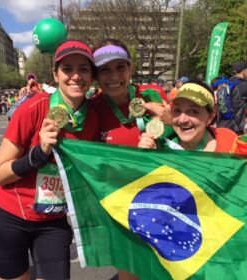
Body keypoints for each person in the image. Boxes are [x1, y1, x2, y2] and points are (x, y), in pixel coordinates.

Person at [0, 39, 99, 280]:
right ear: (55, 75)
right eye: (67, 69)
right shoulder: (33, 108)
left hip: (52, 220)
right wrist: (37, 154)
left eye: (83, 69)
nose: (76, 76)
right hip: (8, 217)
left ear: (92, 76)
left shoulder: (94, 118)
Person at [91, 38, 172, 280]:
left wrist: (167, 119)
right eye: (105, 69)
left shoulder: (151, 94)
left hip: (161, 199)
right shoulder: (93, 108)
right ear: (96, 75)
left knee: (163, 269)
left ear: (130, 68)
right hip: (120, 204)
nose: (113, 76)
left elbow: (179, 132)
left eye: (120, 67)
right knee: (130, 272)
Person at [138, 80, 238, 153]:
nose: (182, 120)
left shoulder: (229, 142)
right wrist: (148, 159)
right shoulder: (160, 146)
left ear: (210, 116)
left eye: (193, 111)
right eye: (177, 110)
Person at [225, 60, 247, 134]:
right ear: (244, 71)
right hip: (235, 128)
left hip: (223, 125)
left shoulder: (227, 84)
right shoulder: (243, 86)